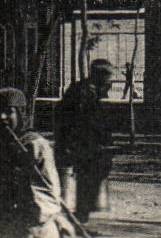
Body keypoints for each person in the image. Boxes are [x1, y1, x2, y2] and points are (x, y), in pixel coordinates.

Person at [0, 87, 68, 238]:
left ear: (20, 114)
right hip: (6, 226)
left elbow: (49, 192)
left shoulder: (35, 145)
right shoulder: (1, 148)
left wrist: (31, 225)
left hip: (34, 228)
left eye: (9, 112)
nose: (2, 117)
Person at [55, 59, 115, 223]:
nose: (110, 82)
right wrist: (69, 144)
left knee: (91, 178)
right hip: (80, 145)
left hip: (90, 146)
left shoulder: (93, 91)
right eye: (108, 77)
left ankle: (81, 217)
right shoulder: (82, 92)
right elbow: (72, 119)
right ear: (99, 75)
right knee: (85, 179)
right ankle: (79, 218)